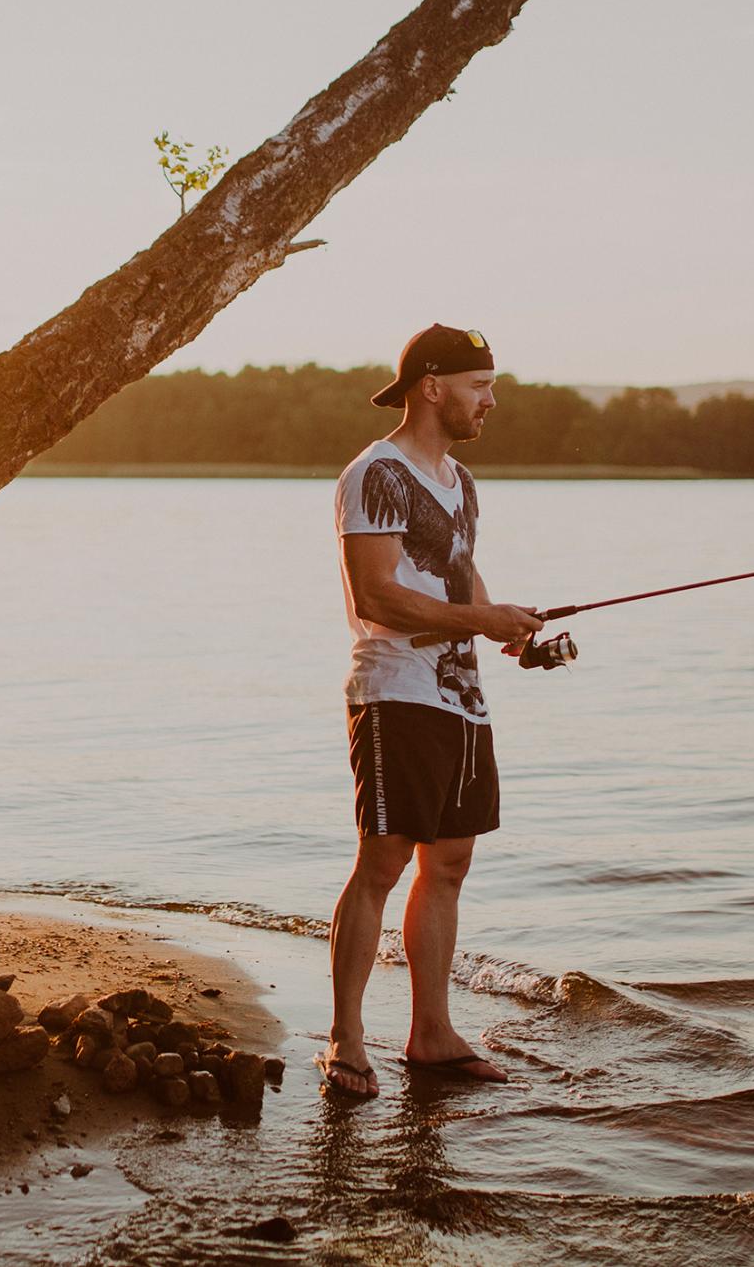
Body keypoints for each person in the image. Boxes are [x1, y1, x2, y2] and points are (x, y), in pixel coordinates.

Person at [319, 324, 567, 1098]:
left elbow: (457, 576)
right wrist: (481, 621)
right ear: (433, 386)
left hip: (460, 697)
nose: (490, 400)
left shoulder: (460, 480)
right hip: (395, 690)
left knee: (449, 865)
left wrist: (509, 630)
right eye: (480, 384)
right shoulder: (377, 472)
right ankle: (346, 1038)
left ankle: (431, 1035)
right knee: (383, 863)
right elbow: (378, 595)